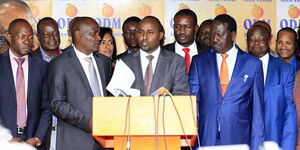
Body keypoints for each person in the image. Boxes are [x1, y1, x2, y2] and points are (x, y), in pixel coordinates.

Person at [189, 14, 265, 150]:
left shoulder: (252, 64)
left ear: (233, 35)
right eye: (212, 35)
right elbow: (192, 103)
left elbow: (257, 111)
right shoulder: (199, 62)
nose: (214, 39)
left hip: (239, 139)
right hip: (206, 138)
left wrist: (257, 145)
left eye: (219, 35)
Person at [48, 17, 112, 150]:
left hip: (106, 140)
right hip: (75, 140)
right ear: (78, 35)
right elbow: (57, 104)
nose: (98, 38)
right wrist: (87, 123)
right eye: (93, 33)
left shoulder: (104, 62)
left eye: (98, 33)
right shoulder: (60, 63)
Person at [0, 19, 51, 150]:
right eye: (22, 37)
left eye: (30, 37)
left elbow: (47, 107)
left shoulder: (42, 67)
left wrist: (38, 137)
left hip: (33, 141)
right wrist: (5, 138)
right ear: (9, 37)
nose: (27, 41)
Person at [247, 25, 297, 150]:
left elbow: (289, 113)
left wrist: (287, 147)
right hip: (244, 141)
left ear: (269, 40)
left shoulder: (285, 70)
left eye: (261, 39)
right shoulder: (237, 67)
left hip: (273, 141)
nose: (256, 43)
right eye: (252, 39)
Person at [113, 16, 189, 96]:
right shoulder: (124, 62)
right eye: (140, 32)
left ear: (160, 35)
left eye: (150, 32)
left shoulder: (176, 62)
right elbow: (118, 97)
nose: (144, 37)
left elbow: (181, 96)